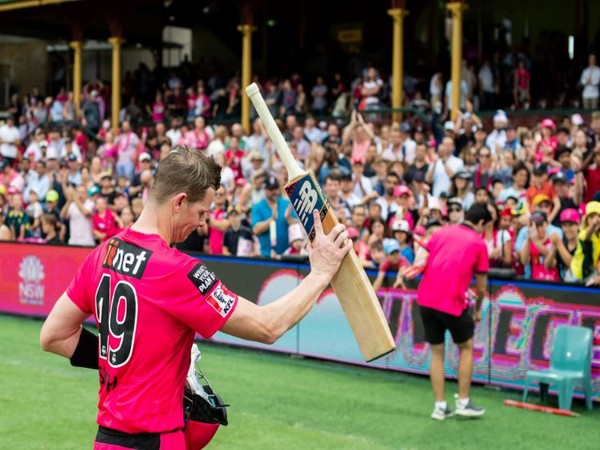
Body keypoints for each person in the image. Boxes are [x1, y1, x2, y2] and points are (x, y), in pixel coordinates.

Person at [39, 145, 351, 449]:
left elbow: (53, 335)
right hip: (156, 439)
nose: (202, 222)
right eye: (201, 212)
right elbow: (267, 326)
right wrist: (321, 273)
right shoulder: (177, 270)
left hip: (107, 439)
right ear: (180, 202)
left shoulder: (102, 254)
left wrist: (128, 364)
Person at [415, 202, 491, 420]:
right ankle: (464, 402)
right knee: (466, 347)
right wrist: (477, 311)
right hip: (452, 302)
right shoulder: (479, 243)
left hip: (426, 300)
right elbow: (482, 287)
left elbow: (423, 257)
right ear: (481, 223)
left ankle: (439, 406)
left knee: (437, 352)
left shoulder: (441, 232)